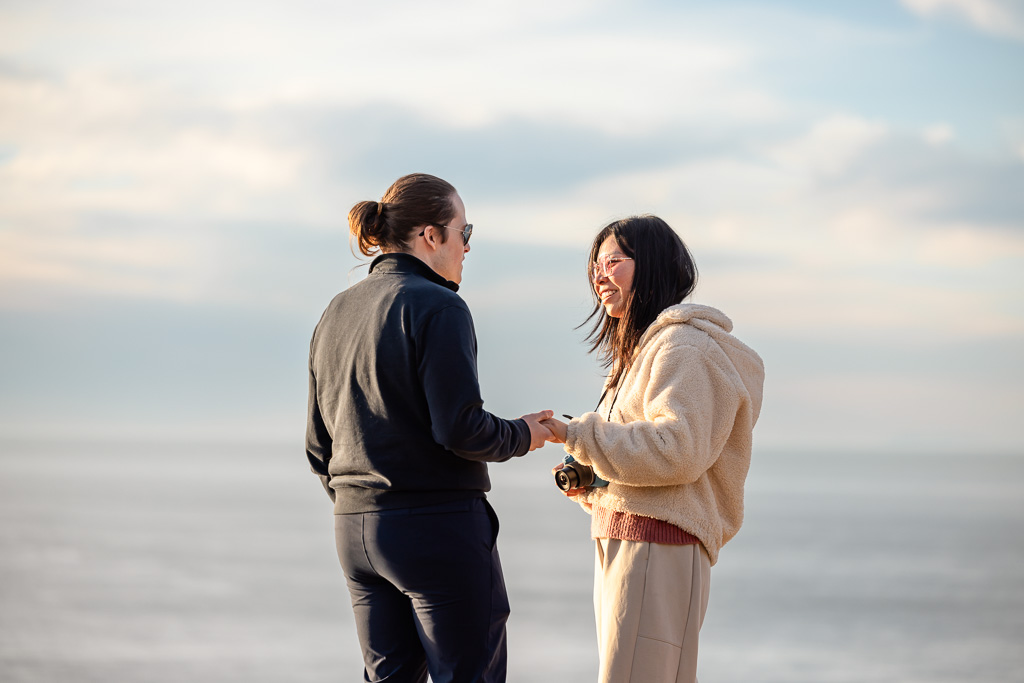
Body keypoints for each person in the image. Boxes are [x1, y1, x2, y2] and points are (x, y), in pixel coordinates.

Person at [306, 172, 555, 683]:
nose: (467, 247)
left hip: (355, 532)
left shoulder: (335, 311)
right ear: (430, 236)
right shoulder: (439, 305)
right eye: (464, 233)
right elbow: (461, 429)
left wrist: (365, 501)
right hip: (436, 529)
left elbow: (318, 447)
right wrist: (525, 433)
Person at [541, 215, 765, 683]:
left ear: (653, 266)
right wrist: (592, 481)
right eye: (596, 266)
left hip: (654, 545)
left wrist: (577, 435)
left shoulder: (682, 346)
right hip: (631, 539)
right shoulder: (643, 350)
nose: (600, 275)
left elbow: (676, 449)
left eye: (614, 261)